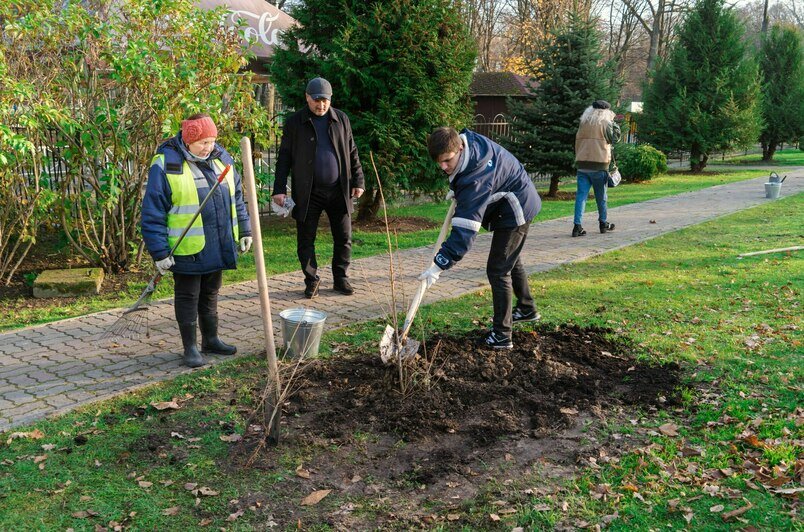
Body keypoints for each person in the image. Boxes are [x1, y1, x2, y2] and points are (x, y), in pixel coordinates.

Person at [141, 114, 252, 368]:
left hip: (217, 243)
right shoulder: (167, 164)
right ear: (188, 141)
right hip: (186, 248)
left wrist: (245, 231)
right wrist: (160, 252)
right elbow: (153, 212)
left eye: (212, 141)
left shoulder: (222, 159)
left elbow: (237, 199)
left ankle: (211, 340)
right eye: (203, 142)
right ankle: (190, 348)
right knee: (188, 296)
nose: (209, 147)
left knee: (211, 293)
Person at [419, 127, 542, 349]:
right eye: (439, 162)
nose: (443, 167)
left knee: (498, 269)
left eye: (447, 161)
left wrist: (439, 264)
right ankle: (526, 308)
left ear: (459, 147)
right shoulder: (468, 145)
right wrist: (457, 187)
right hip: (514, 199)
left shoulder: (475, 177)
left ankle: (502, 335)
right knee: (511, 260)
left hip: (517, 208)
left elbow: (465, 230)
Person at [271, 77, 365, 299]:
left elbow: (352, 152)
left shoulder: (341, 119)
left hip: (338, 190)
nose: (321, 105)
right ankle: (311, 280)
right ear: (307, 98)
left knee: (344, 237)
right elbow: (283, 157)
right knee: (306, 239)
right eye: (316, 101)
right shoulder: (295, 122)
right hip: (308, 192)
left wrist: (358, 181)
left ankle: (341, 278)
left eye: (325, 101)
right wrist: (278, 189)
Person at [572, 99, 621, 237]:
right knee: (601, 197)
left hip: (582, 164)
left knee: (581, 197)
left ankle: (577, 226)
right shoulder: (606, 123)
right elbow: (615, 139)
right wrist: (614, 123)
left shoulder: (583, 123)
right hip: (599, 164)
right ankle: (603, 223)